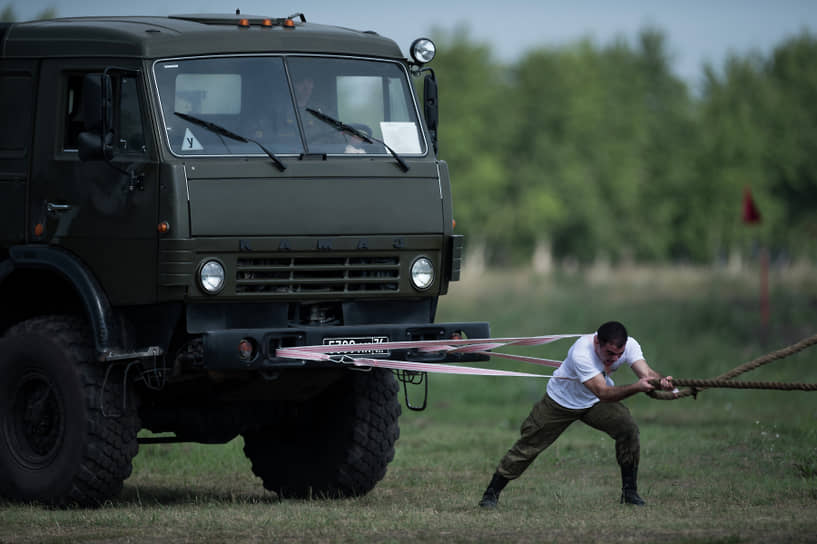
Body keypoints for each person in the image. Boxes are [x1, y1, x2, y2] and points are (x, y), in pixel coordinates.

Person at [478, 321, 676, 508]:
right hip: (560, 402)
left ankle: (630, 493)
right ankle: (491, 494)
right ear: (597, 341)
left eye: (619, 354)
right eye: (610, 353)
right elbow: (603, 392)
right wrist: (636, 387)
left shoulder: (630, 345)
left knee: (628, 428)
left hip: (593, 403)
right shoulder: (581, 352)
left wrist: (662, 382)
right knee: (528, 445)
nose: (615, 358)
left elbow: (647, 375)